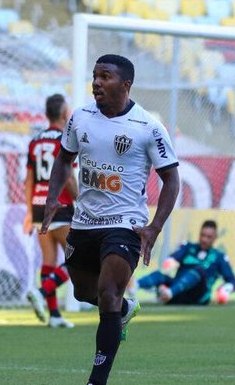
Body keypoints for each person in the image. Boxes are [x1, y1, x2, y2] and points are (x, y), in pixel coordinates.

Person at [40, 54, 180, 385]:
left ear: (125, 84)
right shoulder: (80, 117)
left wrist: (154, 226)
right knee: (83, 293)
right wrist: (51, 198)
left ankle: (96, 381)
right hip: (84, 221)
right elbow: (64, 159)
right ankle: (125, 307)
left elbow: (172, 179)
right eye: (95, 76)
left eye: (105, 77)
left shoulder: (148, 126)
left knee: (107, 293)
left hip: (126, 223)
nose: (97, 82)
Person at [23, 94, 79, 328]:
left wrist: (29, 212)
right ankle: (41, 290)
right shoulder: (64, 139)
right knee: (78, 258)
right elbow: (66, 175)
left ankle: (54, 315)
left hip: (39, 206)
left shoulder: (35, 141)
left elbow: (29, 180)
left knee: (49, 261)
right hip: (61, 203)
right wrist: (80, 199)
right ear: (65, 113)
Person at [135, 220, 235, 305]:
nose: (204, 239)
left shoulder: (219, 257)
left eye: (209, 237)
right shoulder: (188, 247)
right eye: (202, 235)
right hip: (179, 293)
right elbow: (173, 258)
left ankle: (167, 292)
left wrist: (224, 290)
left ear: (215, 238)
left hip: (199, 297)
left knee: (199, 270)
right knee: (159, 275)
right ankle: (133, 285)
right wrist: (171, 262)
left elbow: (232, 281)